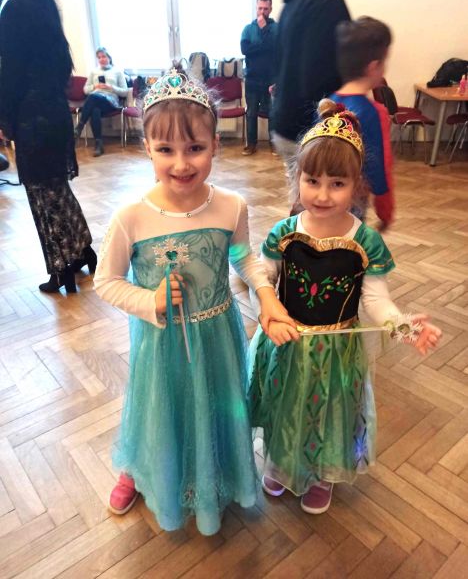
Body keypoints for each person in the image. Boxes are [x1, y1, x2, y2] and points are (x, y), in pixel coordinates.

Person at [94, 68, 295, 535]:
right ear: (147, 147)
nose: (181, 163)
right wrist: (150, 299)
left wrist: (266, 297)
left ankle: (216, 472)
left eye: (195, 148)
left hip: (218, 334)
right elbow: (106, 282)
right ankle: (141, 469)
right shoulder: (131, 217)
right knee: (159, 408)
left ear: (216, 144)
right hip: (161, 340)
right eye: (165, 149)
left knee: (216, 406)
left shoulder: (232, 206)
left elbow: (243, 258)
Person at [248, 100, 441, 515]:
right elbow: (260, 280)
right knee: (284, 404)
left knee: (329, 410)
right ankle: (281, 462)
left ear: (357, 186)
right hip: (286, 343)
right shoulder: (284, 233)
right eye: (312, 180)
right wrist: (268, 314)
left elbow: (375, 299)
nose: (322, 194)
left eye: (336, 183)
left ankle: (321, 473)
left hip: (336, 350)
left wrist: (403, 326)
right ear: (297, 177)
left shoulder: (365, 242)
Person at [0, 0, 97, 293]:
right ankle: (83, 252)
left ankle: (61, 269)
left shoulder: (13, 11)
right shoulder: (45, 6)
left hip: (31, 118)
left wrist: (3, 118)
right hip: (55, 112)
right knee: (58, 189)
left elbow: (9, 76)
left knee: (42, 197)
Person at [272, 0, 357, 191]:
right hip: (309, 130)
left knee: (303, 198)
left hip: (286, 121)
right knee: (321, 202)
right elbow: (321, 78)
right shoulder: (327, 0)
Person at [331, 16, 394, 230]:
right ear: (373, 67)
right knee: (350, 244)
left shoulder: (327, 105)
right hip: (352, 204)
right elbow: (379, 168)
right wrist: (385, 212)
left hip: (321, 201)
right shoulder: (373, 113)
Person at [240, 0, 278, 156]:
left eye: (265, 9)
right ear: (256, 8)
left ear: (270, 9)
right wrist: (264, 46)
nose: (262, 12)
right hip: (252, 79)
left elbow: (276, 49)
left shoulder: (276, 29)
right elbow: (245, 50)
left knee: (272, 113)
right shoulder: (248, 29)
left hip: (271, 79)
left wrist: (264, 30)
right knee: (251, 113)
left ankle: (274, 145)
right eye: (260, 8)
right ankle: (251, 145)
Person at [74, 47, 128, 157]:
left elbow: (125, 92)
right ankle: (99, 145)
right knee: (95, 110)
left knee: (93, 98)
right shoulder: (94, 72)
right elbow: (85, 90)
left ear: (109, 58)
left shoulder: (117, 72)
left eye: (103, 56)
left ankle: (80, 126)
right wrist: (95, 86)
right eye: (99, 57)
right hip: (95, 100)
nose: (101, 59)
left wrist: (111, 87)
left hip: (110, 102)